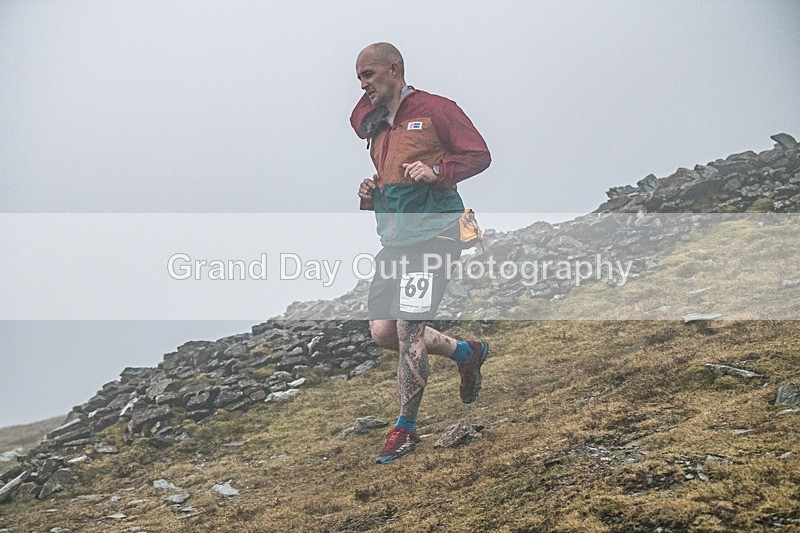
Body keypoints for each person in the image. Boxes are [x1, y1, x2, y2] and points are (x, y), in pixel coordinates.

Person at [350, 42, 492, 464]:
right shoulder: (375, 126)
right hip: (394, 239)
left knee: (411, 330)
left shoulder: (436, 108)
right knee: (383, 333)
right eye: (358, 78)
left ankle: (405, 429)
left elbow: (479, 154)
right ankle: (467, 353)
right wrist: (370, 191)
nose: (362, 85)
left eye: (369, 75)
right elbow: (390, 175)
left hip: (437, 234)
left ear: (394, 69)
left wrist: (437, 172)